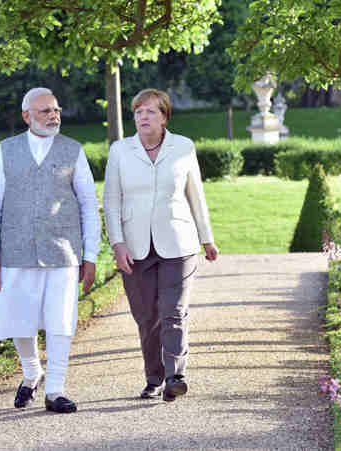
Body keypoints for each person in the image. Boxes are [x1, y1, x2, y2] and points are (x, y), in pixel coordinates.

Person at [0, 87, 100, 414]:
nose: (53, 116)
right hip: (16, 250)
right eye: (45, 111)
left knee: (61, 321)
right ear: (26, 116)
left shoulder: (73, 151)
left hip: (63, 251)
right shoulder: (6, 151)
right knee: (19, 320)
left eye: (56, 110)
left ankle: (56, 390)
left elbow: (89, 205)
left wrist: (91, 257)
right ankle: (32, 373)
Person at [103, 88, 218, 402]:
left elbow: (196, 195)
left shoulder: (183, 147)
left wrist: (206, 238)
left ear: (165, 117)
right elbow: (111, 201)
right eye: (139, 111)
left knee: (173, 311)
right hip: (136, 247)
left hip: (178, 243)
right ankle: (154, 379)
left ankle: (175, 375)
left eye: (151, 111)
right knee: (146, 317)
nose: (143, 116)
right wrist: (117, 244)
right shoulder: (120, 151)